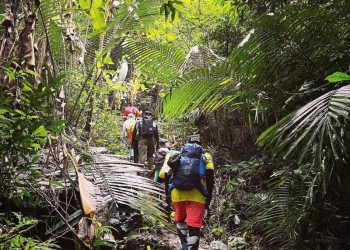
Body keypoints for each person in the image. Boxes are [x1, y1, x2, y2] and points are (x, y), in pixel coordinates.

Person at [167, 134, 214, 250]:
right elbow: (210, 177)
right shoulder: (206, 157)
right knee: (194, 226)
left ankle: (183, 246)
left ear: (186, 144)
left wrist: (167, 195)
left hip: (177, 194)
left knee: (180, 220)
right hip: (197, 195)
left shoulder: (175, 155)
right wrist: (209, 196)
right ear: (200, 145)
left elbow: (165, 176)